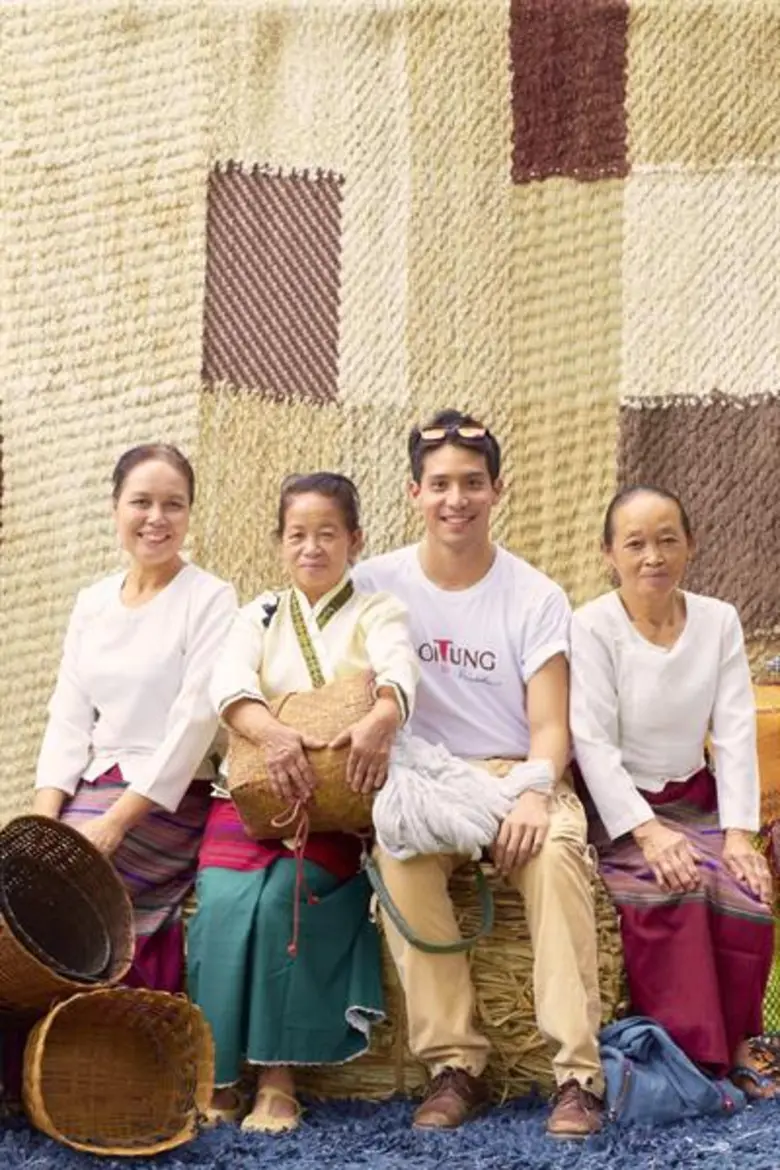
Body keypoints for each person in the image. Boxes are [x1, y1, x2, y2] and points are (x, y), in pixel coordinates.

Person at [352, 410, 605, 1139]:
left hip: (514, 769)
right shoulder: (376, 583)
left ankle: (577, 1076)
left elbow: (550, 725)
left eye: (471, 483)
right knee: (401, 853)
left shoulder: (535, 595)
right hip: (425, 775)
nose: (455, 499)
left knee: (556, 855)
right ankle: (454, 1064)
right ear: (414, 493)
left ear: (498, 490)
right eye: (439, 485)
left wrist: (532, 792)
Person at [188, 472, 418, 1134]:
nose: (312, 547)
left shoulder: (378, 611)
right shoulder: (259, 614)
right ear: (280, 543)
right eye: (297, 535)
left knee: (284, 898)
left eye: (327, 534)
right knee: (223, 902)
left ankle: (278, 1076)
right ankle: (217, 1074)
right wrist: (272, 735)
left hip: (333, 802)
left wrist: (381, 718)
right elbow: (229, 683)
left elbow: (399, 669)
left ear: (355, 540)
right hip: (254, 790)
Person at [570, 485, 776, 1098]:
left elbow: (734, 730)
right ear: (609, 553)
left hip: (697, 798)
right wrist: (648, 832)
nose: (653, 557)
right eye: (635, 544)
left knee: (744, 889)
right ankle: (687, 1058)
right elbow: (591, 742)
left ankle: (739, 1042)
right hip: (620, 811)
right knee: (674, 889)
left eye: (667, 540)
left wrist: (738, 834)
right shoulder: (592, 625)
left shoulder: (718, 620)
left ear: (691, 544)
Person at [33, 443, 237, 992]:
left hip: (164, 800)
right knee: (21, 881)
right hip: (91, 786)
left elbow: (194, 725)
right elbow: (68, 717)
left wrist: (114, 824)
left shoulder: (210, 598)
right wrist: (43, 826)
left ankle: (99, 1024)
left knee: (76, 889)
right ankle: (34, 1035)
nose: (156, 518)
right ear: (115, 508)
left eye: (174, 504)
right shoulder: (93, 603)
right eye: (141, 502)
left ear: (189, 513)